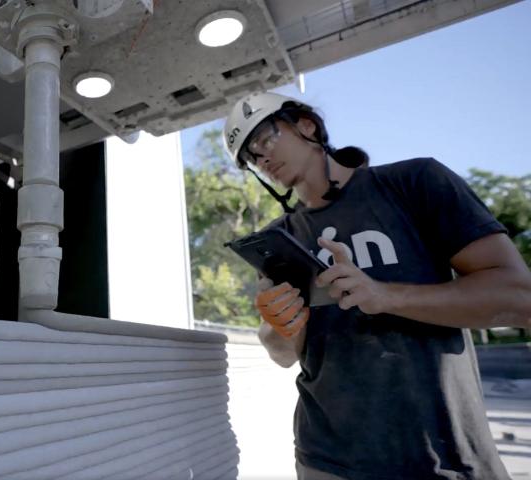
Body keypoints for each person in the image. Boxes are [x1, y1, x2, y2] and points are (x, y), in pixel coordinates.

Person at [223, 91, 531, 479]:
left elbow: (521, 299)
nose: (261, 157)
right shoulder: (278, 239)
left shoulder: (414, 182)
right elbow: (284, 354)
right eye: (251, 156)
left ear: (307, 125)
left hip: (446, 458)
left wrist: (385, 295)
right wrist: (277, 326)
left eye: (265, 138)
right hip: (327, 460)